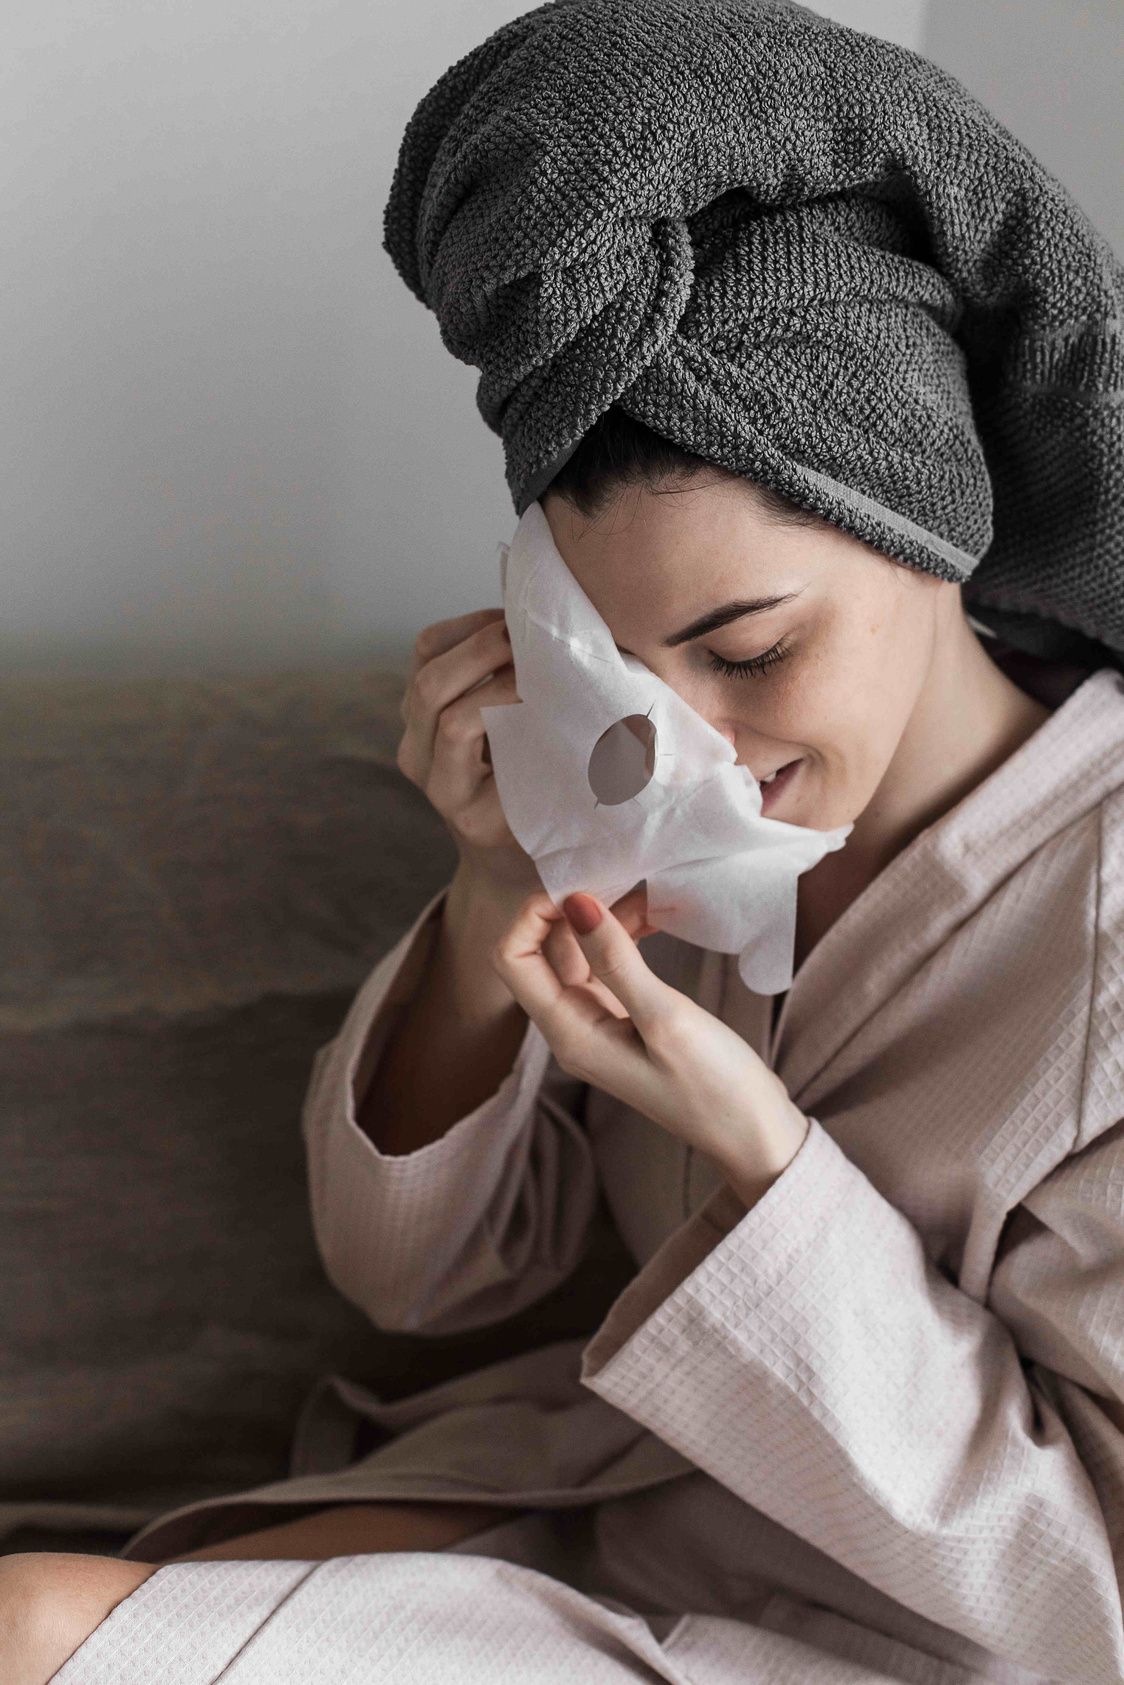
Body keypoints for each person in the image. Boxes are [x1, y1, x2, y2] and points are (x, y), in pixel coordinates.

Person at [5, 0, 1124, 1679]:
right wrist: (492, 885)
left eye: (751, 651)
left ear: (943, 529)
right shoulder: (645, 802)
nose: (695, 742)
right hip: (610, 1503)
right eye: (614, 654)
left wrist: (768, 1167)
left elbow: (1088, 1601)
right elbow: (418, 1284)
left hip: (885, 1640)